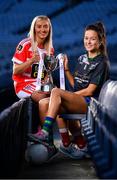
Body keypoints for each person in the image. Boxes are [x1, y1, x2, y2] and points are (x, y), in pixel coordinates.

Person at [29, 21, 110, 159]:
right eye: (86, 38)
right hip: (77, 99)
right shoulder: (82, 58)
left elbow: (89, 91)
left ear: (100, 41)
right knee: (44, 103)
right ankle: (55, 144)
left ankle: (45, 132)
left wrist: (65, 95)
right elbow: (75, 85)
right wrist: (66, 69)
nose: (88, 41)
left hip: (90, 103)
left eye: (92, 39)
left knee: (56, 93)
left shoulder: (101, 62)